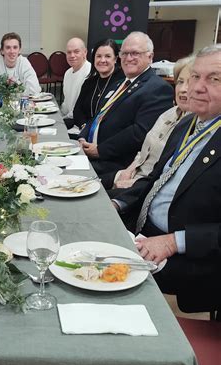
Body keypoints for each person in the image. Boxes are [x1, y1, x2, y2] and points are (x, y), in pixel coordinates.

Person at [113, 45, 221, 313]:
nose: (196, 87)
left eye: (214, 79)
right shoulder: (187, 124)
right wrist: (116, 204)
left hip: (188, 261)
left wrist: (174, 242)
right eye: (195, 76)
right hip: (143, 235)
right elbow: (154, 181)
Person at [78, 31, 173, 188]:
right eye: (125, 53)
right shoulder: (120, 83)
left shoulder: (158, 88)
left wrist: (99, 150)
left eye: (135, 53)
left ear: (150, 56)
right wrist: (83, 137)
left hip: (115, 163)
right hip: (93, 152)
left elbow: (139, 133)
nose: (128, 58)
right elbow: (99, 116)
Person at [111, 56, 192, 191]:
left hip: (147, 187)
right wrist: (127, 171)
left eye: (189, 83)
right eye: (180, 82)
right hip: (132, 173)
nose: (183, 89)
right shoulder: (168, 113)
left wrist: (133, 184)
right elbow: (143, 152)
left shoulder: (196, 125)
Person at [72, 39, 124, 130]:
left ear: (115, 59)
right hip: (85, 132)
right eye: (98, 56)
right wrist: (85, 127)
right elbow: (77, 111)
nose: (102, 60)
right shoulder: (89, 82)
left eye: (107, 56)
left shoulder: (123, 82)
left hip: (108, 135)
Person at [0, 32, 41, 96]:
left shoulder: (24, 62)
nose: (12, 51)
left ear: (19, 50)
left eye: (15, 47)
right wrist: (19, 91)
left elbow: (34, 90)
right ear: (2, 51)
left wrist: (11, 90)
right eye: (8, 47)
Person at [60, 37, 92, 128]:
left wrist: (62, 120)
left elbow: (82, 109)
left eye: (76, 51)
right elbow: (66, 104)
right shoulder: (68, 73)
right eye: (69, 52)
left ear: (85, 52)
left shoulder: (90, 73)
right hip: (69, 118)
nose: (72, 55)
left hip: (81, 124)